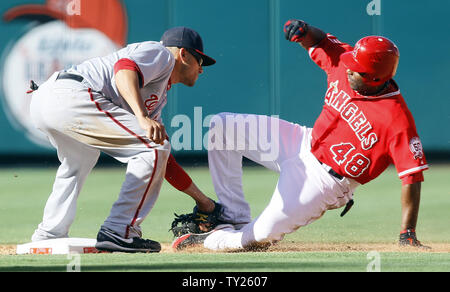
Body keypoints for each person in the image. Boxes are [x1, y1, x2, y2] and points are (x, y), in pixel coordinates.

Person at [172, 19, 429, 251]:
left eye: (357, 70)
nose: (349, 69)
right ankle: (232, 216)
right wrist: (304, 30)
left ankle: (210, 240)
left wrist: (408, 232)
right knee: (221, 126)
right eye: (350, 64)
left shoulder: (396, 119)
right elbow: (320, 40)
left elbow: (412, 177)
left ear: (375, 78)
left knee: (258, 237)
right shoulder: (348, 62)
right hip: (301, 141)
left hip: (327, 182)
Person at [29, 26, 219, 253]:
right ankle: (119, 231)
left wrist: (202, 200)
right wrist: (141, 117)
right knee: (150, 148)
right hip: (70, 94)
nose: (201, 70)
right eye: (200, 61)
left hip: (49, 100)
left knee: (81, 158)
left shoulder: (156, 95)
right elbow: (124, 68)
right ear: (183, 54)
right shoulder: (161, 54)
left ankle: (49, 233)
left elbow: (163, 161)